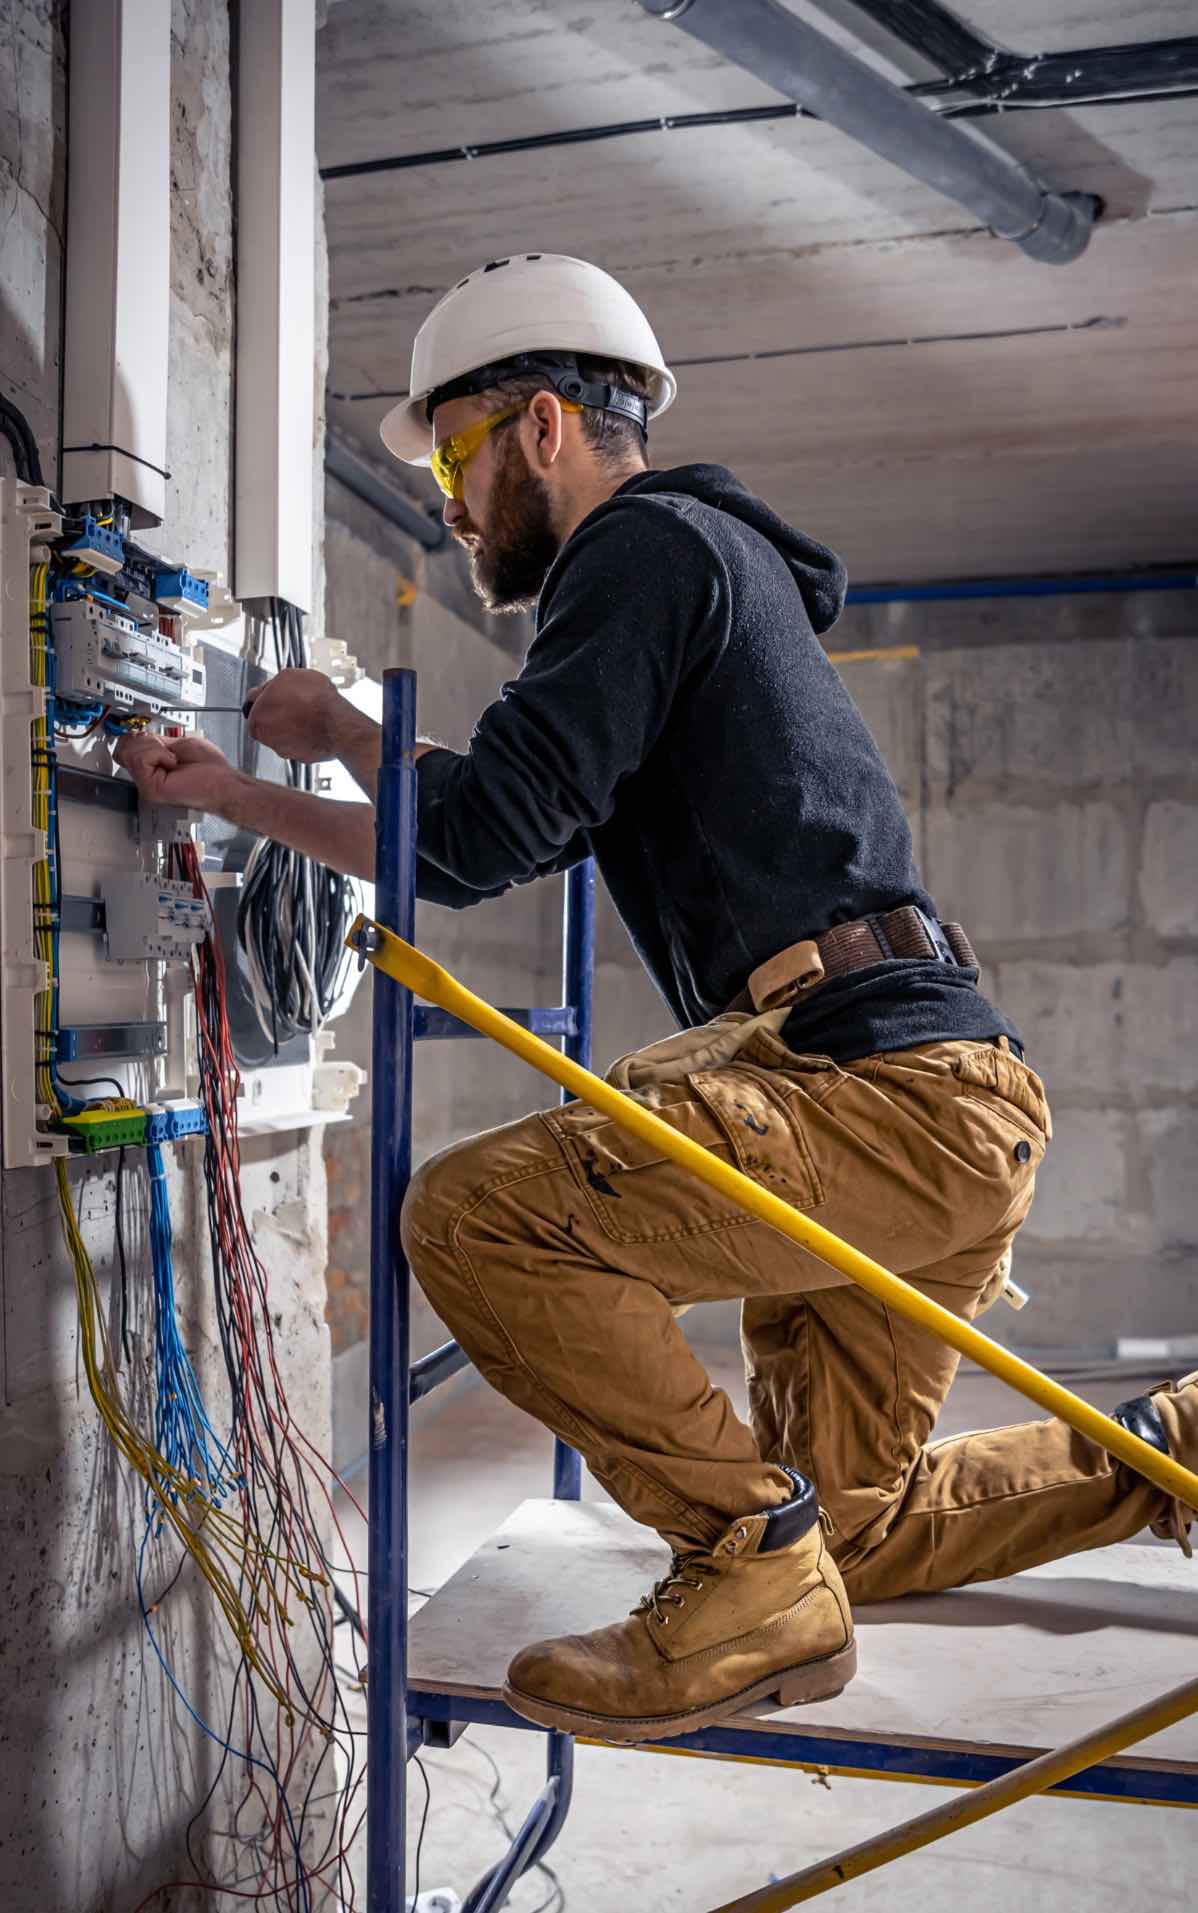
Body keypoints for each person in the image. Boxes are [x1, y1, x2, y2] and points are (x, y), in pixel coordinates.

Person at [117, 254, 1195, 1747]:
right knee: (859, 1537)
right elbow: (519, 810)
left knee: (476, 1215)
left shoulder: (636, 548)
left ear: (543, 425)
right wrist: (345, 740)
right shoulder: (706, 560)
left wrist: (248, 780)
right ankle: (1171, 1450)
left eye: (453, 452)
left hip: (876, 1096)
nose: (446, 498)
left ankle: (742, 1559)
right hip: (945, 1099)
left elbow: (486, 833)